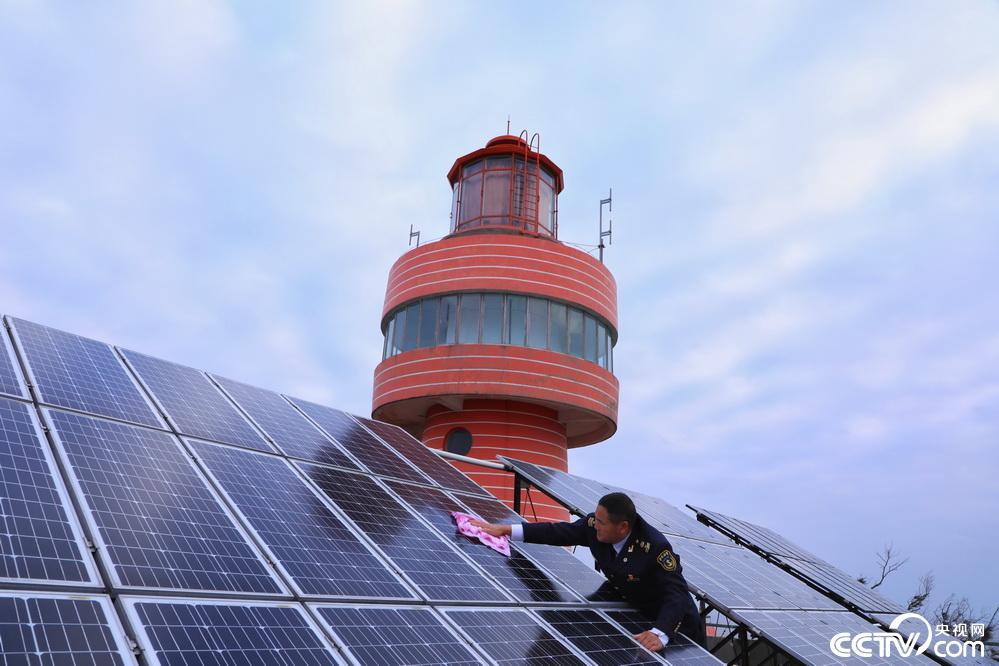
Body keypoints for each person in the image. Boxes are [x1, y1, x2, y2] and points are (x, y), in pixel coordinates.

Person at [472, 492, 707, 652]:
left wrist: (660, 633)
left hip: (675, 623)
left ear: (623, 527)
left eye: (602, 522)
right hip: (633, 608)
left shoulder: (654, 547)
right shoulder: (596, 526)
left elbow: (676, 594)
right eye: (596, 518)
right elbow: (558, 532)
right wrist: (507, 529)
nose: (595, 525)